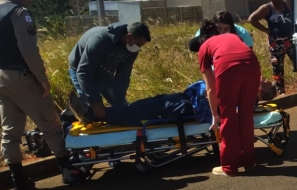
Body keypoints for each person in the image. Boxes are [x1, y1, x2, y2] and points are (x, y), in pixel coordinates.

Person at [0, 0, 84, 190]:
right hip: (22, 76)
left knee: (10, 131)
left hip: (1, 79)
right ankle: (68, 171)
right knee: (50, 123)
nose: (31, 1)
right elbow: (29, 51)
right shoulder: (19, 13)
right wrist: (43, 80)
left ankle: (18, 179)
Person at [188, 19, 263, 176]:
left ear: (201, 39)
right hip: (252, 66)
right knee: (246, 116)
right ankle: (249, 162)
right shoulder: (231, 36)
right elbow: (243, 52)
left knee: (227, 117)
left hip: (229, 69)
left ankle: (229, 166)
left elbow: (211, 89)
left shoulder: (203, 48)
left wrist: (215, 115)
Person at [67, 78, 276, 127]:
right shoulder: (245, 94)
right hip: (187, 98)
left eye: (264, 81)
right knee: (144, 104)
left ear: (262, 90)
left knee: (140, 111)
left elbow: (228, 114)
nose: (261, 78)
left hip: (189, 108)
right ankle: (95, 113)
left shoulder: (247, 104)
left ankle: (92, 114)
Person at [68, 21, 151, 120]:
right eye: (138, 44)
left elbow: (123, 75)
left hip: (104, 74)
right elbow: (84, 72)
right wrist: (95, 101)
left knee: (123, 109)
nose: (138, 48)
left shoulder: (132, 49)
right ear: (129, 36)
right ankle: (82, 114)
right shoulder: (100, 40)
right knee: (89, 110)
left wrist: (120, 100)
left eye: (141, 46)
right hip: (81, 70)